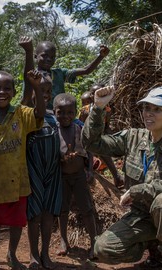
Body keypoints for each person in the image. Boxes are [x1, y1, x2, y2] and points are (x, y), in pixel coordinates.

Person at [82, 86, 162, 269]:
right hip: (143, 215)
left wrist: (138, 190)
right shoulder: (133, 137)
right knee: (103, 249)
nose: (149, 113)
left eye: (157, 109)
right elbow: (92, 143)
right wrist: (98, 108)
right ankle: (152, 247)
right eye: (147, 108)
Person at [0, 69, 45, 270]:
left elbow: (40, 114)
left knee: (16, 223)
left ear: (15, 91)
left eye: (7, 88)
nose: (2, 92)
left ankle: (12, 255)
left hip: (18, 181)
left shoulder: (21, 114)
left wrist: (36, 88)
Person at [19, 36, 62, 270]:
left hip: (52, 170)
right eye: (40, 90)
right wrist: (28, 53)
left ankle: (46, 253)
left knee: (48, 215)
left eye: (47, 91)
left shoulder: (55, 116)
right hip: (33, 169)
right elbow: (28, 83)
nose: (44, 94)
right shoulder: (26, 110)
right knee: (33, 215)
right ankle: (33, 255)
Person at [53, 93, 98, 260]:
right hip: (62, 177)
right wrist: (62, 158)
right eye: (61, 112)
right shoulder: (53, 131)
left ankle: (94, 242)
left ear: (75, 112)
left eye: (70, 112)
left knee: (87, 209)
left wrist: (90, 171)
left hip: (79, 176)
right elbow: (52, 154)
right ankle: (63, 240)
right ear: (54, 112)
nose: (65, 116)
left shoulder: (79, 128)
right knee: (62, 210)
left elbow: (89, 150)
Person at [31, 41, 109, 110]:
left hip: (60, 115)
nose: (48, 59)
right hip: (39, 114)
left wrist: (101, 56)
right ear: (35, 56)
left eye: (52, 57)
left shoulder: (59, 73)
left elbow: (86, 70)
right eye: (44, 56)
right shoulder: (31, 76)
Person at [79, 84, 124, 188]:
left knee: (103, 145)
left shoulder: (107, 110)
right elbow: (81, 129)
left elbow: (107, 127)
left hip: (97, 138)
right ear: (91, 96)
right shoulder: (85, 111)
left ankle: (116, 176)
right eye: (95, 94)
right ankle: (92, 171)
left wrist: (115, 139)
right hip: (84, 140)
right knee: (96, 146)